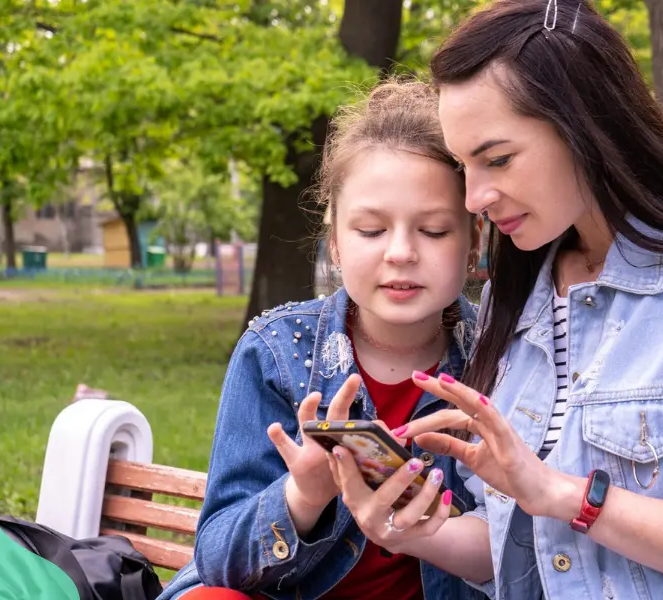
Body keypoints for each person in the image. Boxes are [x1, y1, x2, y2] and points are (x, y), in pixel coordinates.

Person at [325, 2, 663, 599]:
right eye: (465, 167)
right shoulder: (514, 304)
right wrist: (411, 531)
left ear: (585, 124)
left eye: (498, 159)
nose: (475, 197)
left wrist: (567, 496)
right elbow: (525, 555)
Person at [157, 78, 487, 600]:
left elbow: (532, 553)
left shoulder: (505, 353)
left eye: (434, 230)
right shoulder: (276, 352)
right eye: (371, 231)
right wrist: (303, 496)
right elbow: (217, 556)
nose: (400, 252)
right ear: (334, 242)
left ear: (474, 243)